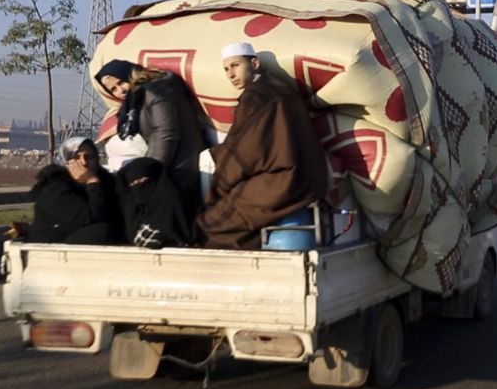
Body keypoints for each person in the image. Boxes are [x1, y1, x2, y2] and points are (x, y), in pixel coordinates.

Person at [196, 42, 328, 249]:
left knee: (212, 223)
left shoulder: (255, 96)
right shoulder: (282, 88)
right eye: (226, 69)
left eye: (235, 65)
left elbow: (246, 150)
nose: (230, 74)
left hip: (284, 179)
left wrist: (218, 164)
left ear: (255, 63)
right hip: (309, 177)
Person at [94, 60, 206, 224]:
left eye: (121, 82)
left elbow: (166, 134)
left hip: (179, 169)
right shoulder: (140, 96)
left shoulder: (155, 90)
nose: (121, 90)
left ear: (130, 73)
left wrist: (149, 172)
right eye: (113, 89)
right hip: (173, 168)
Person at [28, 137, 124, 244]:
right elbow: (93, 217)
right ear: (66, 161)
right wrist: (91, 181)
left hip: (85, 243)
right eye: (76, 157)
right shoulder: (55, 187)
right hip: (55, 244)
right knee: (102, 231)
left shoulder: (106, 181)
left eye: (89, 157)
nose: (83, 162)